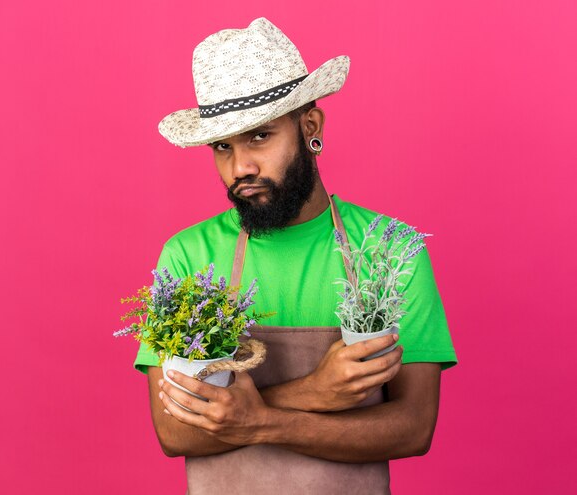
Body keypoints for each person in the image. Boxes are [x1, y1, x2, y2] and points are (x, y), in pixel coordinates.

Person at [133, 17, 458, 495]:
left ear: (310, 126)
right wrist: (312, 393)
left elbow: (413, 428)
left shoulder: (390, 249)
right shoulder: (188, 256)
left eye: (259, 137)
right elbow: (174, 432)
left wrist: (261, 422)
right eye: (222, 146)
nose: (239, 166)